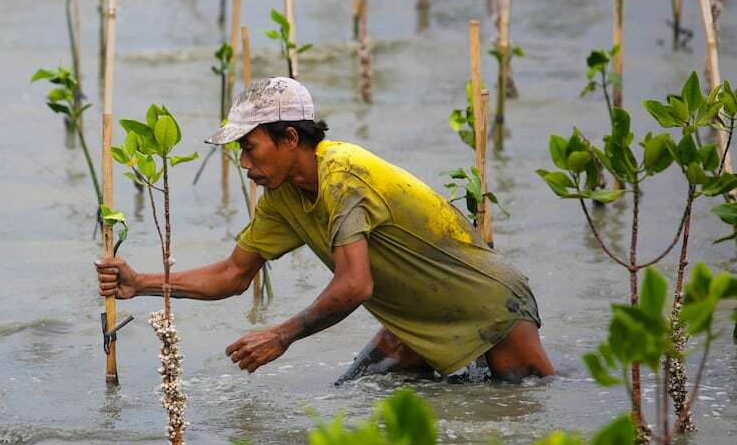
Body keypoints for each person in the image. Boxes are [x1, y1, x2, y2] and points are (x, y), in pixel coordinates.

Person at [94, 77, 555, 382]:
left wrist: (281, 335)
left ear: (290, 138)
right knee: (355, 394)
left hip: (489, 309)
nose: (246, 164)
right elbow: (234, 275)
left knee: (520, 421)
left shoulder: (343, 176)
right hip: (414, 324)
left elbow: (355, 284)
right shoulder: (283, 198)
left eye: (251, 148)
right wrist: (142, 284)